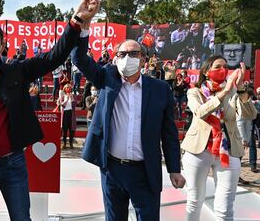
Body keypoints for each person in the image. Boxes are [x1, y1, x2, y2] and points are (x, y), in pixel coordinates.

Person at [0, 0, 100, 221]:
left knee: (21, 218)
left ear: (3, 46)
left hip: (12, 164)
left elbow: (54, 56)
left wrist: (76, 21)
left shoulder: (15, 71)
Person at [71, 39, 185, 221]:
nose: (127, 58)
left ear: (142, 60)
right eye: (122, 54)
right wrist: (81, 27)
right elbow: (78, 58)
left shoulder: (160, 89)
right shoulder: (107, 79)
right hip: (113, 170)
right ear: (116, 59)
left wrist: (174, 169)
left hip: (145, 172)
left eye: (133, 54)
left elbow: (169, 133)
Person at [181, 56, 257, 221]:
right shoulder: (195, 92)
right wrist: (225, 92)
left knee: (225, 207)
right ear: (207, 71)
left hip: (228, 152)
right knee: (194, 201)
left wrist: (240, 87)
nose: (222, 69)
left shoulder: (234, 92)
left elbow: (251, 114)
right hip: (198, 150)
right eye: (217, 66)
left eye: (225, 66)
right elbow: (201, 112)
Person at [59, 84, 77, 149]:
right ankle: (64, 143)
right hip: (65, 114)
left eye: (69, 87)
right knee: (64, 129)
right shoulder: (63, 96)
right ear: (64, 89)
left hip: (71, 114)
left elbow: (75, 104)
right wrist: (66, 100)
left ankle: (71, 143)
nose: (68, 88)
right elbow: (62, 105)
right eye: (66, 87)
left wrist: (71, 98)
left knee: (71, 129)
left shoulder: (74, 96)